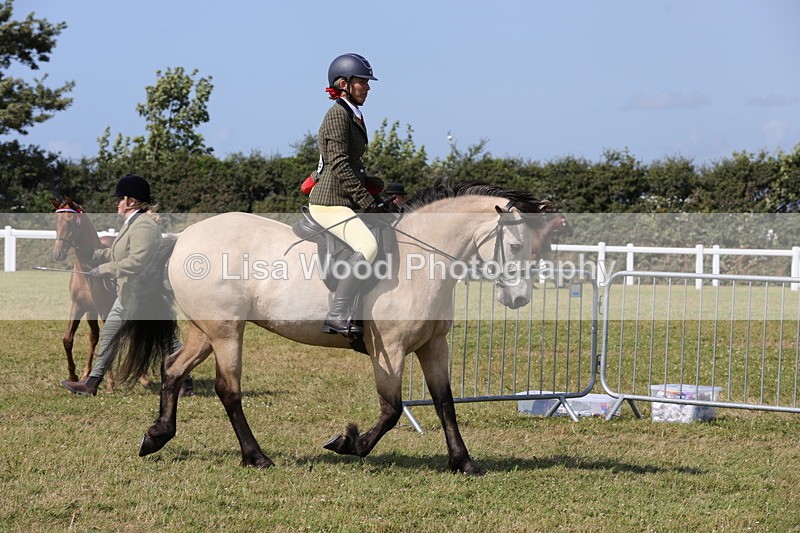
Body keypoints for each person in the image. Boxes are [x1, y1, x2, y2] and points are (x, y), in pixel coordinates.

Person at [61, 174, 193, 396]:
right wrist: (93, 254)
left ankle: (186, 382)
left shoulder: (144, 226)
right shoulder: (131, 224)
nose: (117, 203)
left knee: (167, 341)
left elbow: (138, 261)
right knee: (109, 335)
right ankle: (91, 383)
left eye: (120, 198)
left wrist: (102, 270)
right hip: (126, 295)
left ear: (131, 201)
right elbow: (117, 253)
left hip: (144, 296)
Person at [309, 53, 384, 337]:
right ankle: (337, 313)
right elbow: (339, 163)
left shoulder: (352, 113)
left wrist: (374, 187)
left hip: (345, 197)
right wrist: (366, 201)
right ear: (343, 83)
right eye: (362, 81)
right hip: (329, 202)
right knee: (368, 248)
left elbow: (351, 163)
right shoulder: (338, 114)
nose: (367, 87)